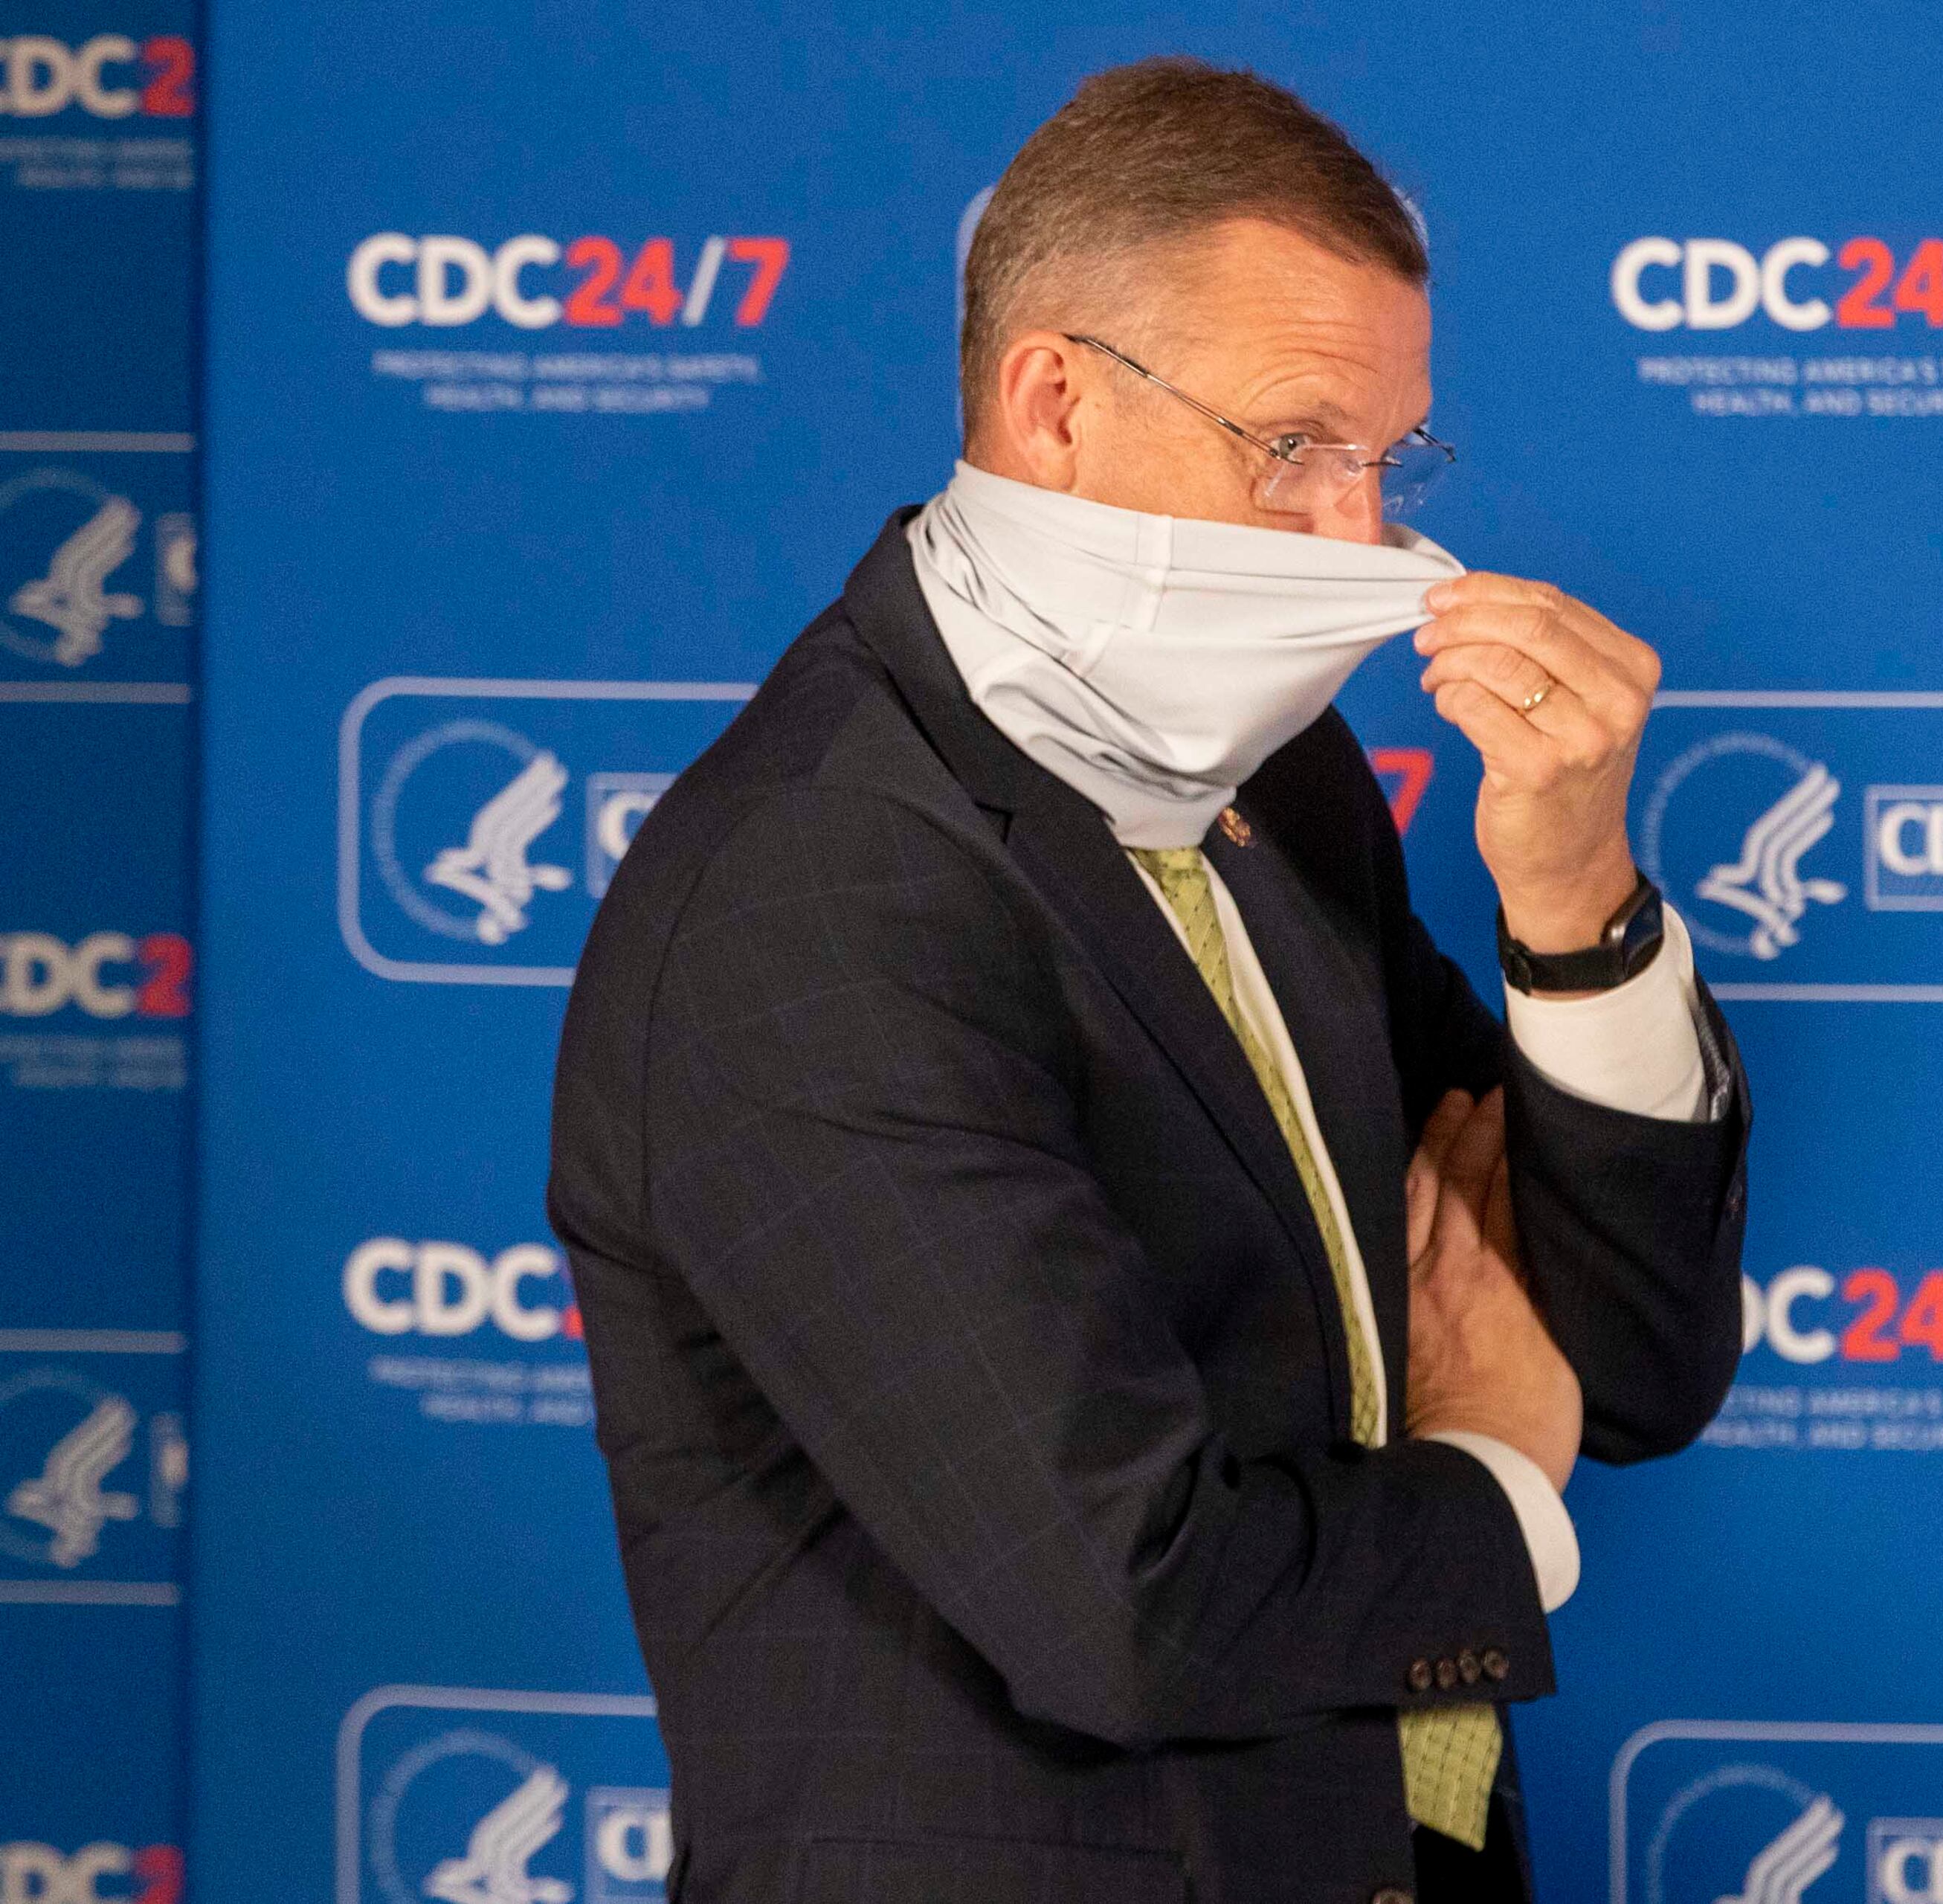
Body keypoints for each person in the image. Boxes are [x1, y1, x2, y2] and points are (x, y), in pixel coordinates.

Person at [548, 57, 1749, 1904]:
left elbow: (1636, 1360)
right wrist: (1501, 1469)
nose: (1361, 538)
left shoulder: (1282, 776)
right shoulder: (816, 890)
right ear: (1055, 404)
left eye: (1391, 459)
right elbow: (1128, 1602)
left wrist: (1573, 892)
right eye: (1297, 444)